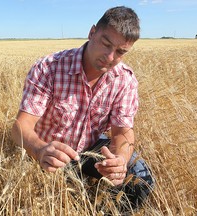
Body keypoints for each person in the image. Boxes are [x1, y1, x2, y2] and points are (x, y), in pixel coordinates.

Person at [12, 6, 154, 211]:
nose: (110, 56)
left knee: (140, 179)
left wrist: (120, 160)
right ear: (92, 32)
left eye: (120, 52)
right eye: (106, 44)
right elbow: (20, 127)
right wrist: (40, 149)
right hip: (51, 154)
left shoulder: (124, 80)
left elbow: (123, 131)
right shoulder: (49, 68)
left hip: (90, 148)